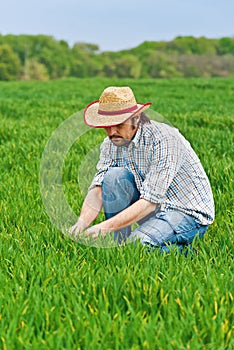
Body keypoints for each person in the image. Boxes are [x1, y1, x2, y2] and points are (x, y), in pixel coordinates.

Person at [70, 86, 215, 253]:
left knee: (136, 247)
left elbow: (149, 202)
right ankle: (117, 247)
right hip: (154, 208)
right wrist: (80, 224)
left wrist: (103, 228)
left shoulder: (164, 139)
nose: (112, 132)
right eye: (106, 126)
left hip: (185, 212)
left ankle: (185, 253)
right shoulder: (111, 143)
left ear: (136, 118)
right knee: (113, 177)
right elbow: (98, 189)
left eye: (118, 124)